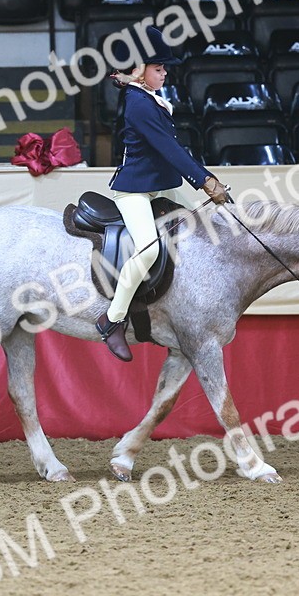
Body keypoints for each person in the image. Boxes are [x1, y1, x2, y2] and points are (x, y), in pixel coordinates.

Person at [95, 27, 230, 362]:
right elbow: (169, 148)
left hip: (158, 186)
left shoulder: (147, 97)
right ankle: (111, 321)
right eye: (159, 68)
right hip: (134, 191)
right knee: (148, 250)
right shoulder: (139, 104)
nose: (165, 72)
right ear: (141, 71)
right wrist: (205, 181)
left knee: (200, 230)